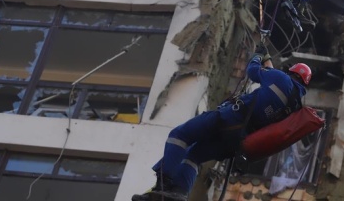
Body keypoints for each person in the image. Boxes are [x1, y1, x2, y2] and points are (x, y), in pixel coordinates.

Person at [131, 43, 312, 201]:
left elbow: (253, 71)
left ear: (291, 72)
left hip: (228, 119)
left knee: (179, 135)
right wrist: (267, 58)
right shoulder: (294, 107)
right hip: (237, 140)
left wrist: (257, 55)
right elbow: (271, 79)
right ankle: (178, 194)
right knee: (194, 156)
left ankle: (163, 185)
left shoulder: (281, 79)